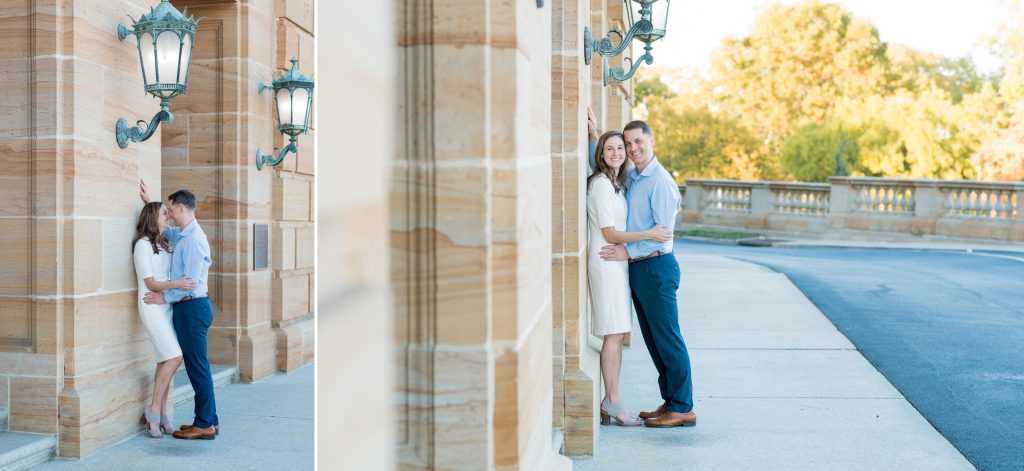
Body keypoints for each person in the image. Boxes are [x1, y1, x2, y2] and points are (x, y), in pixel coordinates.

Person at [599, 120, 696, 428]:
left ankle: (683, 407)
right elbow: (606, 162)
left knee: (668, 339)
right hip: (641, 269)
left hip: (656, 266)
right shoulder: (634, 176)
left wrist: (628, 251)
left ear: (651, 141)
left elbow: (663, 234)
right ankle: (670, 401)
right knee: (655, 342)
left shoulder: (661, 182)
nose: (632, 149)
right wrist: (593, 138)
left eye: (638, 142)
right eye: (627, 144)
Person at [587, 130, 672, 426]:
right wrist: (648, 234)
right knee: (613, 332)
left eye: (620, 148)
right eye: (608, 149)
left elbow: (600, 155)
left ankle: (612, 399)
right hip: (608, 257)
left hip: (619, 260)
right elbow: (609, 233)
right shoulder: (600, 184)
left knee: (618, 332)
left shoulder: (617, 181)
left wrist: (596, 135)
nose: (617, 153)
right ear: (600, 153)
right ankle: (612, 402)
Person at [140, 181, 220, 439]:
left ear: (183, 209)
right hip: (186, 308)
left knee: (197, 367)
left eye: (171, 210)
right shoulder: (182, 233)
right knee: (197, 365)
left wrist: (165, 295)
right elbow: (161, 229)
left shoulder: (195, 240)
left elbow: (190, 283)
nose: (170, 215)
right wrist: (151, 203)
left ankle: (204, 423)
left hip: (192, 307)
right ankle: (210, 420)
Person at [132, 202, 195, 438]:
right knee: (175, 357)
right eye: (164, 213)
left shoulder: (166, 243)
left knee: (164, 361)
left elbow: (188, 228)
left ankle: (162, 414)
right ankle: (154, 410)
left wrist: (153, 198)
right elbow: (149, 282)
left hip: (166, 306)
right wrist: (176, 284)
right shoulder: (142, 246)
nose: (168, 216)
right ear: (152, 217)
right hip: (151, 305)